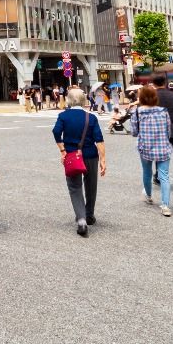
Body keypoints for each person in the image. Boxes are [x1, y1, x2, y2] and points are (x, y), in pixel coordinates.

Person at [52, 88, 106, 237]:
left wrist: (62, 150)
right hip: (90, 155)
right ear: (83, 101)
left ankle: (81, 220)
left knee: (75, 187)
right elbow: (99, 139)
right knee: (91, 185)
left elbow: (56, 132)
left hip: (71, 156)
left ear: (68, 100)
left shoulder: (63, 116)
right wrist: (103, 160)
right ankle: (89, 215)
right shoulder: (91, 117)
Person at [130, 85, 173, 217]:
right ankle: (165, 205)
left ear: (141, 97)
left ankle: (149, 196)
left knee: (147, 172)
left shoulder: (137, 112)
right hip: (163, 147)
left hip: (145, 147)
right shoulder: (163, 111)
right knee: (164, 176)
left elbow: (134, 132)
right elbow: (169, 131)